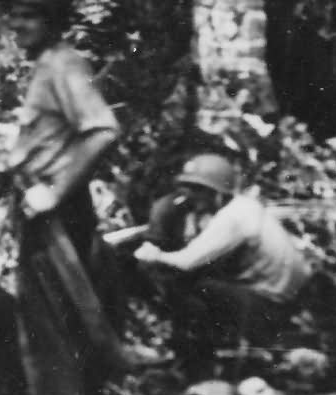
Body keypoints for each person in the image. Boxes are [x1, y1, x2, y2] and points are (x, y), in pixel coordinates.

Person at [0, 0, 126, 395]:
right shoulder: (48, 65)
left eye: (27, 15)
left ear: (52, 19)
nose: (16, 24)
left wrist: (54, 190)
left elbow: (102, 130)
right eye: (12, 14)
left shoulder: (63, 65)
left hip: (57, 220)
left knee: (52, 335)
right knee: (63, 327)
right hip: (45, 215)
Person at [133, 153, 313, 378]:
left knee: (188, 286)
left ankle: (197, 357)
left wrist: (155, 254)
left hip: (269, 303)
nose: (192, 196)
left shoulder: (231, 218)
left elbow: (186, 262)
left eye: (199, 190)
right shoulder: (246, 205)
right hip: (287, 295)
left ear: (217, 192)